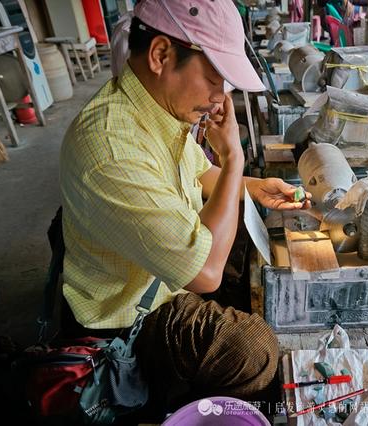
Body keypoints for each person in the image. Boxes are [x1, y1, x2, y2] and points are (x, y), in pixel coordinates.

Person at [59, 0, 311, 415]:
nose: (219, 100)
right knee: (253, 350)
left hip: (162, 272)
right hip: (127, 317)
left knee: (257, 238)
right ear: (160, 55)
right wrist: (234, 160)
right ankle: (183, 409)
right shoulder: (111, 148)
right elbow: (206, 274)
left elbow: (201, 178)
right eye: (214, 79)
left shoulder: (154, 108)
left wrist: (255, 186)